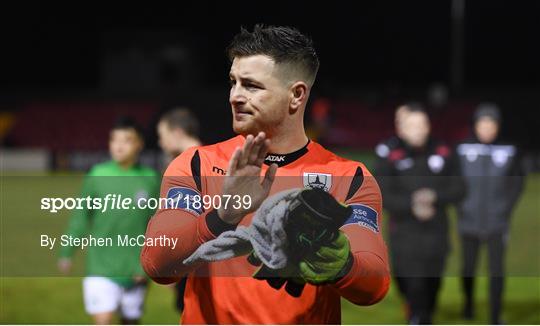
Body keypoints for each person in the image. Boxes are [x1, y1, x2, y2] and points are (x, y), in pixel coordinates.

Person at [141, 25, 390, 324]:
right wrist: (221, 218)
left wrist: (340, 263)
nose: (235, 96)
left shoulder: (349, 177)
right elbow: (157, 264)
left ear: (296, 95)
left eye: (251, 85)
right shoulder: (195, 164)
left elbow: (374, 286)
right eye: (233, 82)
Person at [58, 117, 160, 324]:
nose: (119, 146)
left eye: (127, 140)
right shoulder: (97, 175)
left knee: (130, 321)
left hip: (135, 269)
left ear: (139, 144)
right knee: (102, 321)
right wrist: (67, 251)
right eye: (114, 140)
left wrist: (147, 266)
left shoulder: (151, 179)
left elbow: (158, 225)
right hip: (100, 267)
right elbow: (80, 215)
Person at [375, 104, 464, 324]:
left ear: (428, 126)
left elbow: (460, 188)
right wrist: (411, 204)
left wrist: (435, 196)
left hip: (436, 233)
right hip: (405, 234)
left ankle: (422, 316)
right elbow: (382, 194)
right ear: (401, 129)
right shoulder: (390, 156)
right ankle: (417, 316)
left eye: (421, 124)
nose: (418, 130)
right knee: (410, 285)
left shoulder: (443, 151)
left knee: (432, 286)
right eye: (411, 125)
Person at [455, 103, 524, 324]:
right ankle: (468, 305)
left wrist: (506, 206)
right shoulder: (462, 149)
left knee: (496, 270)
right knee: (467, 268)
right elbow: (453, 182)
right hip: (468, 221)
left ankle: (495, 317)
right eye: (482, 123)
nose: (487, 128)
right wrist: (461, 205)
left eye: (491, 123)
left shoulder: (509, 150)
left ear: (497, 126)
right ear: (475, 125)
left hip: (497, 222)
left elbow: (517, 181)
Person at [156, 108, 202, 313]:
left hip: (191, 258)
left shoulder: (187, 164)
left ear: (177, 132)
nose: (160, 142)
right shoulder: (212, 158)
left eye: (162, 136)